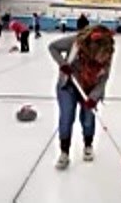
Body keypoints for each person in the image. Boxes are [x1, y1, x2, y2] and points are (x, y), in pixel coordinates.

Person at [48, 25, 115, 170]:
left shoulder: (108, 52)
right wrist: (63, 64)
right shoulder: (75, 43)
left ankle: (88, 145)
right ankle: (64, 152)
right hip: (69, 85)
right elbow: (52, 47)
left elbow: (103, 79)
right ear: (92, 48)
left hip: (90, 88)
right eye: (99, 56)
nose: (101, 59)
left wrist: (93, 98)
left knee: (88, 119)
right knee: (66, 117)